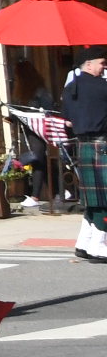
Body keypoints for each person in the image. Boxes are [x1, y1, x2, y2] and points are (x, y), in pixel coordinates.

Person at [63, 46, 107, 261]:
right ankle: (99, 246)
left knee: (93, 199)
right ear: (88, 64)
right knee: (104, 200)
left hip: (83, 145)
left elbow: (68, 120)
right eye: (102, 62)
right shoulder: (102, 87)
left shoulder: (71, 87)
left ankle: (83, 243)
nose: (104, 66)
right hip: (102, 145)